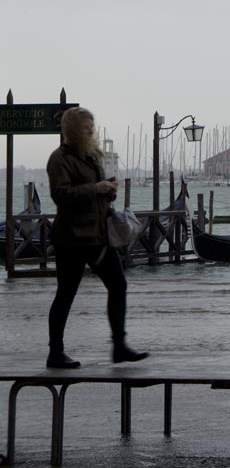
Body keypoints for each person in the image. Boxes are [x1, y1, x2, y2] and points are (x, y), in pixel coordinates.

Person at [46, 107, 148, 369]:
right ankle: (55, 353)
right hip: (71, 238)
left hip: (98, 235)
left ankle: (119, 346)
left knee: (118, 285)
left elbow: (95, 192)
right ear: (72, 129)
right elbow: (61, 194)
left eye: (92, 126)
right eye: (85, 127)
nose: (90, 131)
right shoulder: (59, 159)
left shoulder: (92, 156)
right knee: (66, 293)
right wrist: (97, 188)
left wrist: (108, 191)